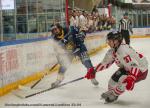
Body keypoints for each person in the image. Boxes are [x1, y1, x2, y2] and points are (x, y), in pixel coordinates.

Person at [85, 31, 148, 103]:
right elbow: (105, 63)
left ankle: (115, 94)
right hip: (127, 67)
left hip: (141, 70)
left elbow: (135, 65)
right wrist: (93, 70)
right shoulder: (113, 50)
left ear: (116, 41)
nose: (108, 42)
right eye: (108, 40)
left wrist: (131, 78)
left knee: (123, 80)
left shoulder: (123, 50)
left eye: (110, 40)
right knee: (112, 81)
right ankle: (112, 91)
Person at [50, 23, 99, 88]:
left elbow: (81, 29)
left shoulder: (70, 29)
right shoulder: (55, 40)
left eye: (56, 29)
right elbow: (57, 51)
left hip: (80, 48)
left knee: (87, 62)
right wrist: (59, 59)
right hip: (69, 52)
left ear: (59, 27)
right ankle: (58, 80)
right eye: (53, 30)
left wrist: (82, 34)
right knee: (63, 65)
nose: (55, 31)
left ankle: (92, 77)